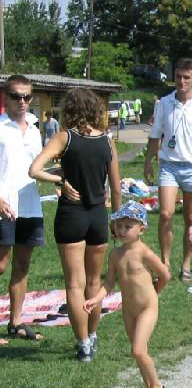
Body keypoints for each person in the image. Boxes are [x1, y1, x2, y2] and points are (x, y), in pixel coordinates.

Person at [29, 87, 122, 360]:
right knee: (94, 282)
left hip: (71, 215)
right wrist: (116, 220)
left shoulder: (64, 138)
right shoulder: (107, 141)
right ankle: (92, 337)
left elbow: (34, 170)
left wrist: (60, 179)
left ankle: (82, 345)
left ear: (69, 110)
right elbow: (116, 188)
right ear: (94, 109)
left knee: (74, 284)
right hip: (97, 216)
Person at [84, 201, 170, 388]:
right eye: (119, 225)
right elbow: (109, 282)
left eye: (128, 226)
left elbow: (164, 275)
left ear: (141, 228)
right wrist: (96, 299)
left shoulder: (144, 253)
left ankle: (157, 387)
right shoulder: (115, 255)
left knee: (138, 350)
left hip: (147, 308)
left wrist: (154, 293)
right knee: (140, 352)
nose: (122, 230)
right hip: (129, 310)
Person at [144, 58, 192, 282]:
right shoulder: (165, 103)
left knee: (191, 220)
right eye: (178, 76)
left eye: (186, 77)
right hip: (168, 165)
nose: (181, 81)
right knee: (165, 214)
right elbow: (154, 136)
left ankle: (186, 264)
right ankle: (165, 262)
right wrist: (149, 161)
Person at [0, 74, 47, 343]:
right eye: (16, 96)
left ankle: (15, 321)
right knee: (1, 264)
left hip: (30, 204)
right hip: (4, 204)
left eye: (27, 96)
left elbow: (37, 167)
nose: (22, 101)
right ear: (6, 98)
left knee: (22, 264)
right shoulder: (0, 127)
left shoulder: (34, 128)